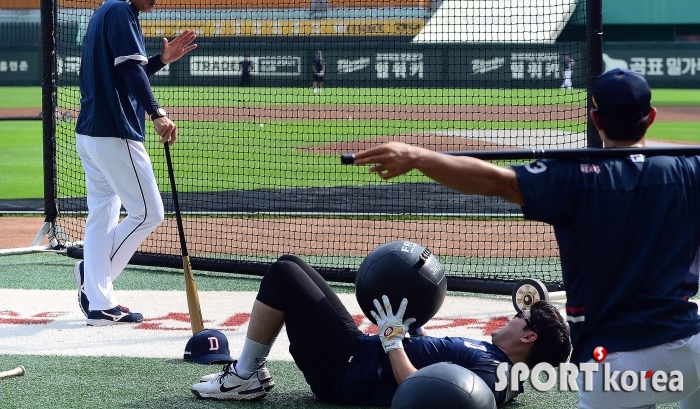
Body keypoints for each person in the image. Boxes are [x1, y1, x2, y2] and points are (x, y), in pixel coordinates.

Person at [352, 68, 700, 409]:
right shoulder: (688, 169)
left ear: (596, 120)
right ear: (651, 116)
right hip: (689, 351)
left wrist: (418, 156)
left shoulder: (574, 176)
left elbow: (493, 181)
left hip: (615, 366)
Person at [190, 254, 571, 405]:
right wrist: (409, 331)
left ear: (528, 337)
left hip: (345, 370)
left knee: (283, 275)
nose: (510, 319)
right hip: (359, 351)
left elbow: (421, 388)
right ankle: (251, 369)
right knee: (292, 263)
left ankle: (245, 376)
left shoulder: (494, 375)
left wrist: (393, 344)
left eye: (519, 320)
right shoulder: (502, 366)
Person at [73, 0, 197, 326]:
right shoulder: (122, 13)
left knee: (102, 217)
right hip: (115, 132)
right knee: (149, 212)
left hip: (91, 133)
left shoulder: (106, 11)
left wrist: (159, 59)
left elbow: (125, 71)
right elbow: (129, 70)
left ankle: (98, 300)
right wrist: (157, 113)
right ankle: (95, 282)